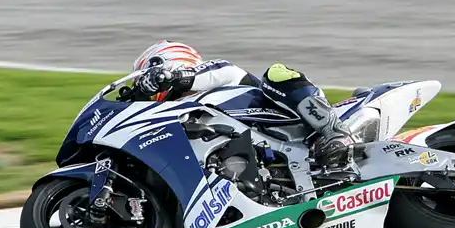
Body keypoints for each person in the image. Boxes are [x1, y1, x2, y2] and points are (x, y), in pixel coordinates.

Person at [132, 40, 357, 169]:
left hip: (294, 128)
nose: (146, 88)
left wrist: (171, 77)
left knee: (275, 74)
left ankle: (334, 130)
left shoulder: (216, 74)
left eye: (146, 77)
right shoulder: (178, 115)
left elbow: (226, 71)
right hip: (266, 161)